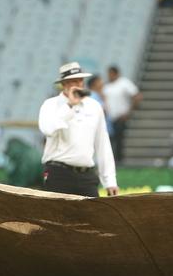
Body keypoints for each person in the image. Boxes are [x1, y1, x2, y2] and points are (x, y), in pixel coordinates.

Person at [38, 62, 118, 197]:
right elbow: (47, 129)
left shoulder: (94, 106)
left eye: (80, 80)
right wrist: (69, 105)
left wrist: (109, 180)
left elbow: (102, 143)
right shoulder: (50, 105)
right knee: (57, 217)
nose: (78, 84)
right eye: (73, 81)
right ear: (64, 84)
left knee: (92, 216)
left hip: (86, 174)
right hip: (58, 173)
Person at [103, 65, 142, 163]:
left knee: (119, 140)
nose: (109, 76)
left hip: (120, 117)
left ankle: (119, 161)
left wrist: (129, 112)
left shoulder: (124, 83)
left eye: (111, 74)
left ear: (116, 73)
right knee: (109, 140)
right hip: (109, 118)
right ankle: (111, 161)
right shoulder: (107, 86)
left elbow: (137, 96)